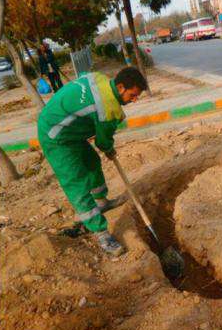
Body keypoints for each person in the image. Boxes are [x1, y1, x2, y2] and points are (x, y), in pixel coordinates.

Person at [37, 67, 147, 255]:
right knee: (76, 182)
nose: (134, 100)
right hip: (56, 136)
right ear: (120, 87)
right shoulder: (109, 109)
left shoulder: (100, 79)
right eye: (133, 95)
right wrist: (108, 148)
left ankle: (102, 202)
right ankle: (101, 233)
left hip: (67, 129)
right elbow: (103, 141)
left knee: (91, 162)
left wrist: (105, 146)